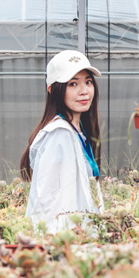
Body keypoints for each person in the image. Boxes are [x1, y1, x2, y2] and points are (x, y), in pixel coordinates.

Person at [20, 50, 105, 233]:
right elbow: (49, 200)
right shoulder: (59, 134)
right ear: (53, 90)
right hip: (65, 241)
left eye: (88, 82)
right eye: (73, 83)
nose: (84, 91)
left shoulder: (77, 132)